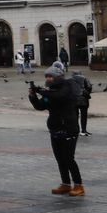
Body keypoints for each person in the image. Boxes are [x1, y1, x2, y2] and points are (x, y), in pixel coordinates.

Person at [29, 63, 84, 196]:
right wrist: (33, 96)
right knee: (59, 158)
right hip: (55, 128)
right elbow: (41, 106)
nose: (48, 79)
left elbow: (59, 96)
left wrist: (40, 90)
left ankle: (78, 185)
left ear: (58, 77)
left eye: (51, 76)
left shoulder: (67, 86)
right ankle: (65, 183)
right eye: (46, 76)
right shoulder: (50, 92)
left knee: (68, 158)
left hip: (69, 128)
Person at [69, 68, 93, 136]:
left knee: (75, 115)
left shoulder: (70, 80)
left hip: (74, 100)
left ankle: (76, 130)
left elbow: (68, 90)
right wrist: (87, 93)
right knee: (84, 116)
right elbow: (89, 87)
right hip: (84, 100)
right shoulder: (85, 78)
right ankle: (84, 130)